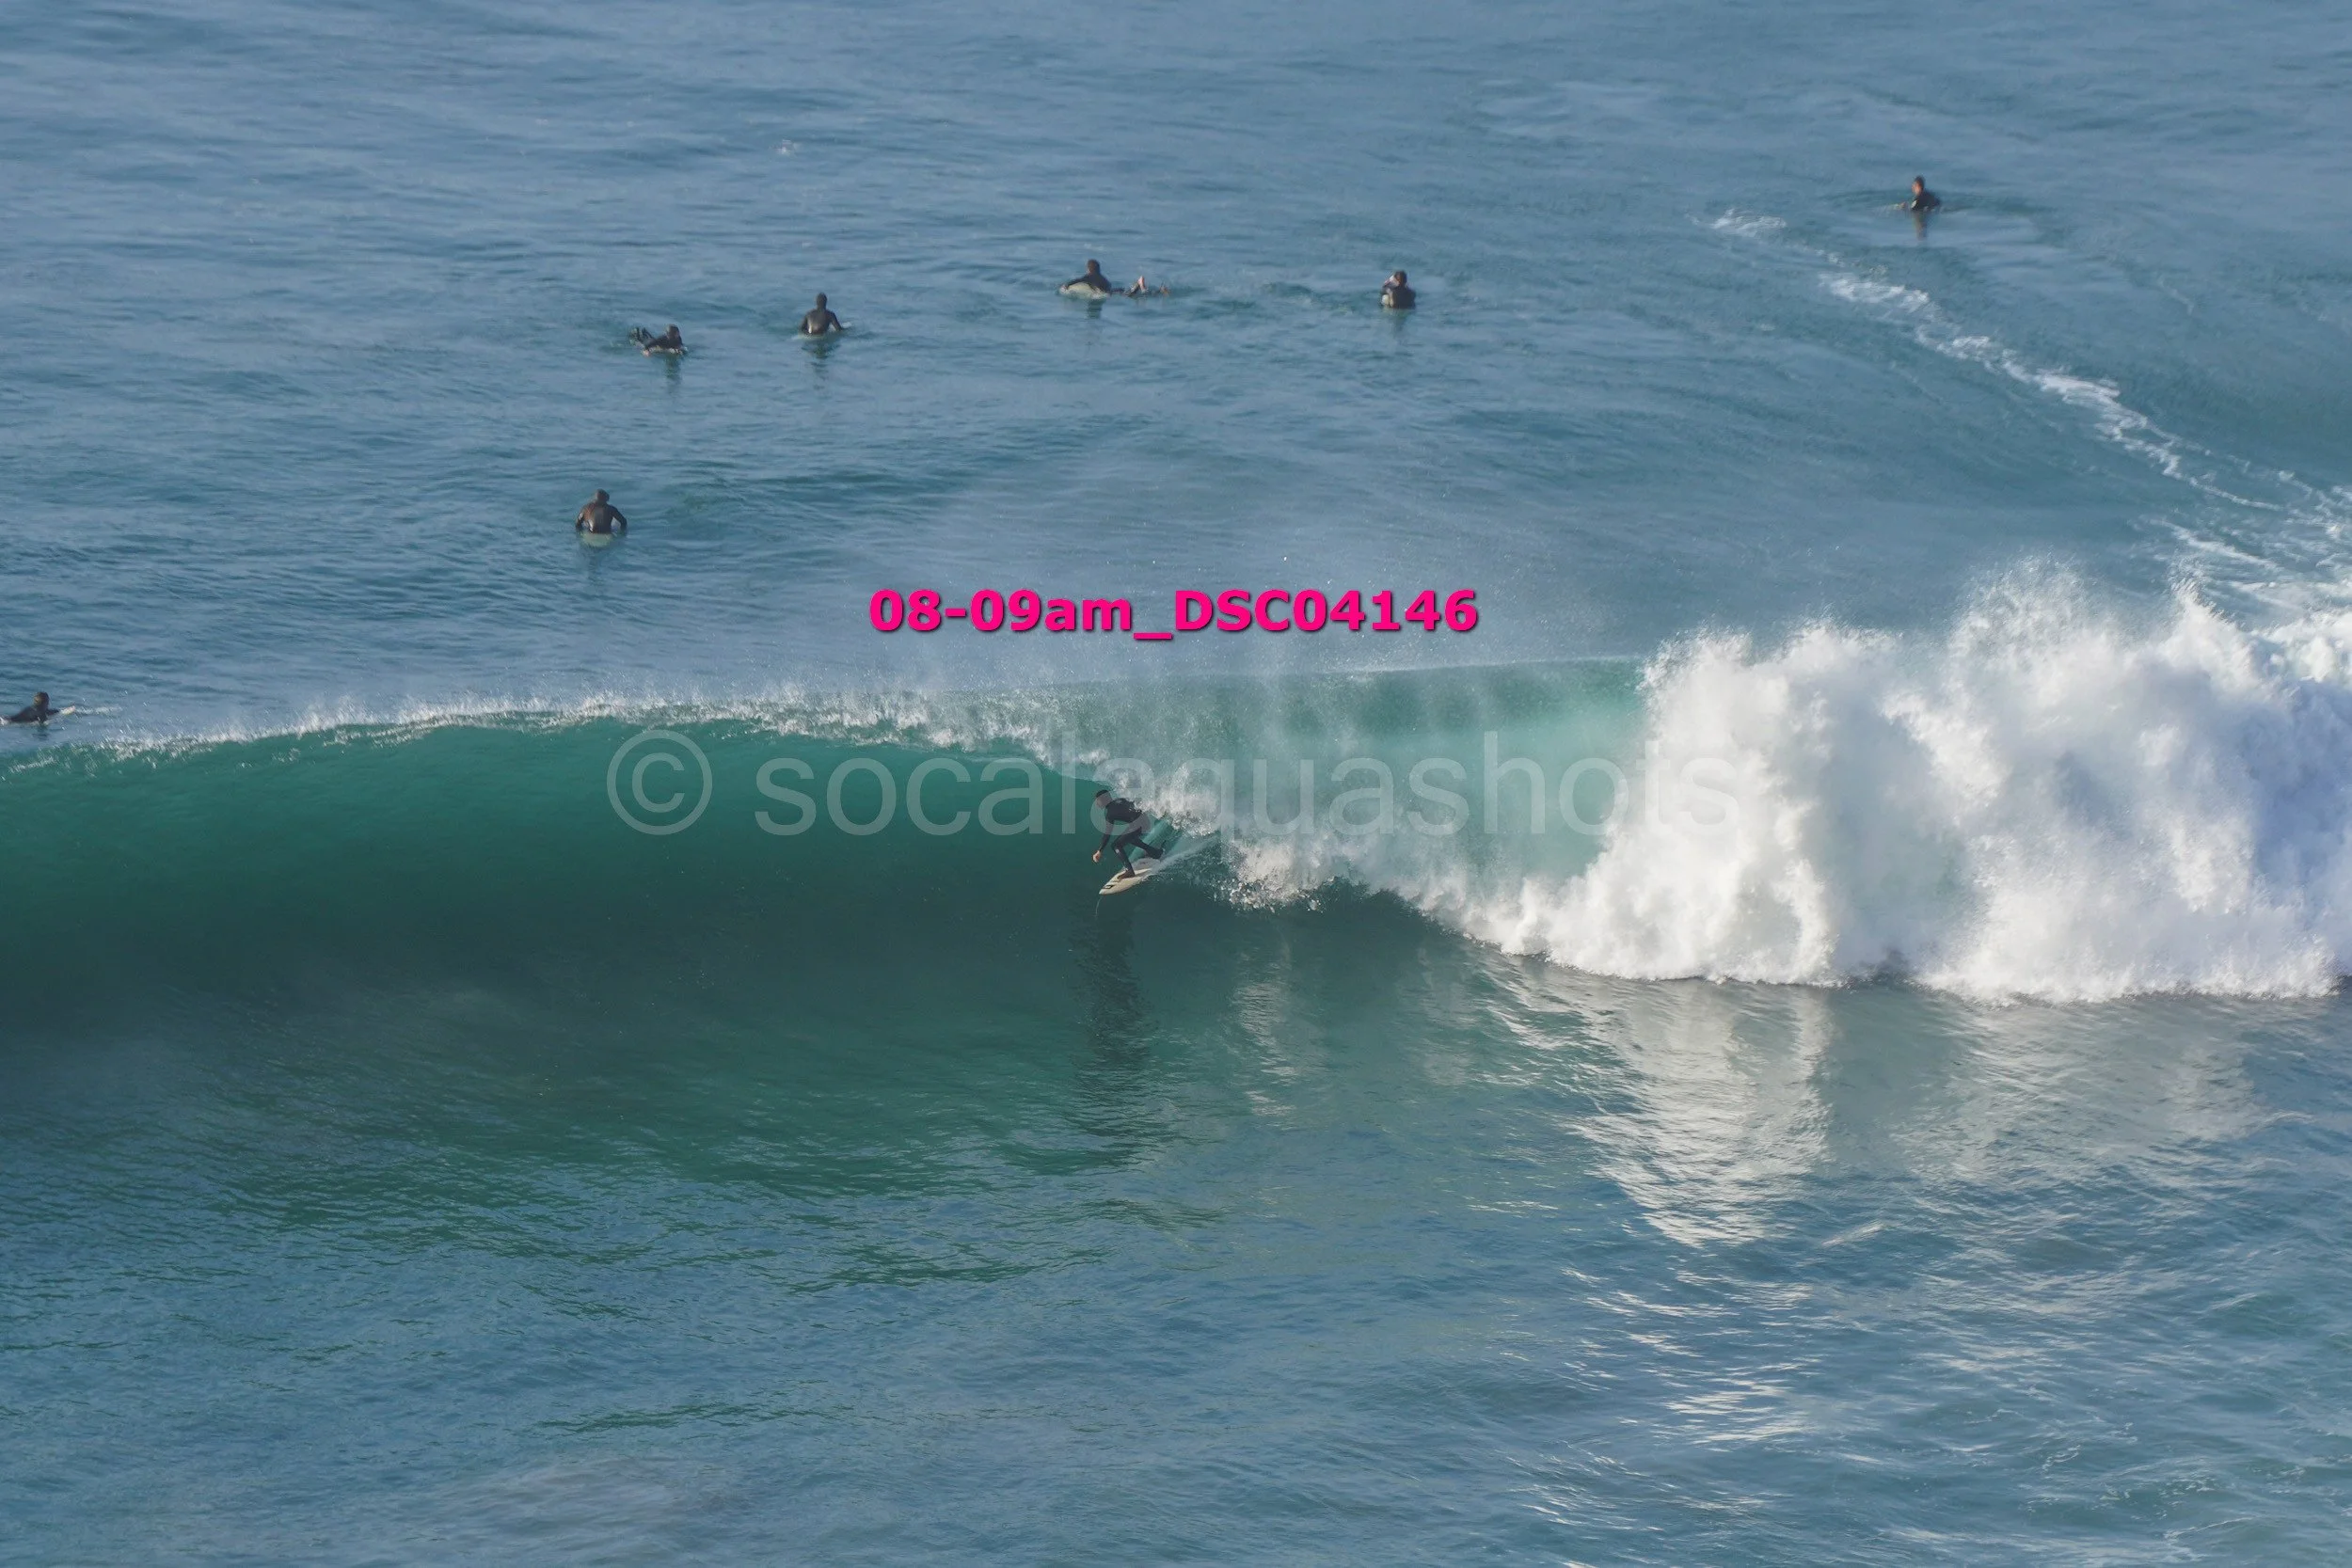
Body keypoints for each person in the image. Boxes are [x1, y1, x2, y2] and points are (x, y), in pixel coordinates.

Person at [1092, 789, 1167, 879]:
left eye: (1097, 800)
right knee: (1130, 837)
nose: (1096, 803)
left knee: (1116, 845)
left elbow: (1107, 833)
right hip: (1144, 821)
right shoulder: (1120, 800)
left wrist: (1100, 850)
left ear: (1103, 800)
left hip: (1139, 824)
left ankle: (1129, 871)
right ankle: (1154, 852)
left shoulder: (1110, 814)